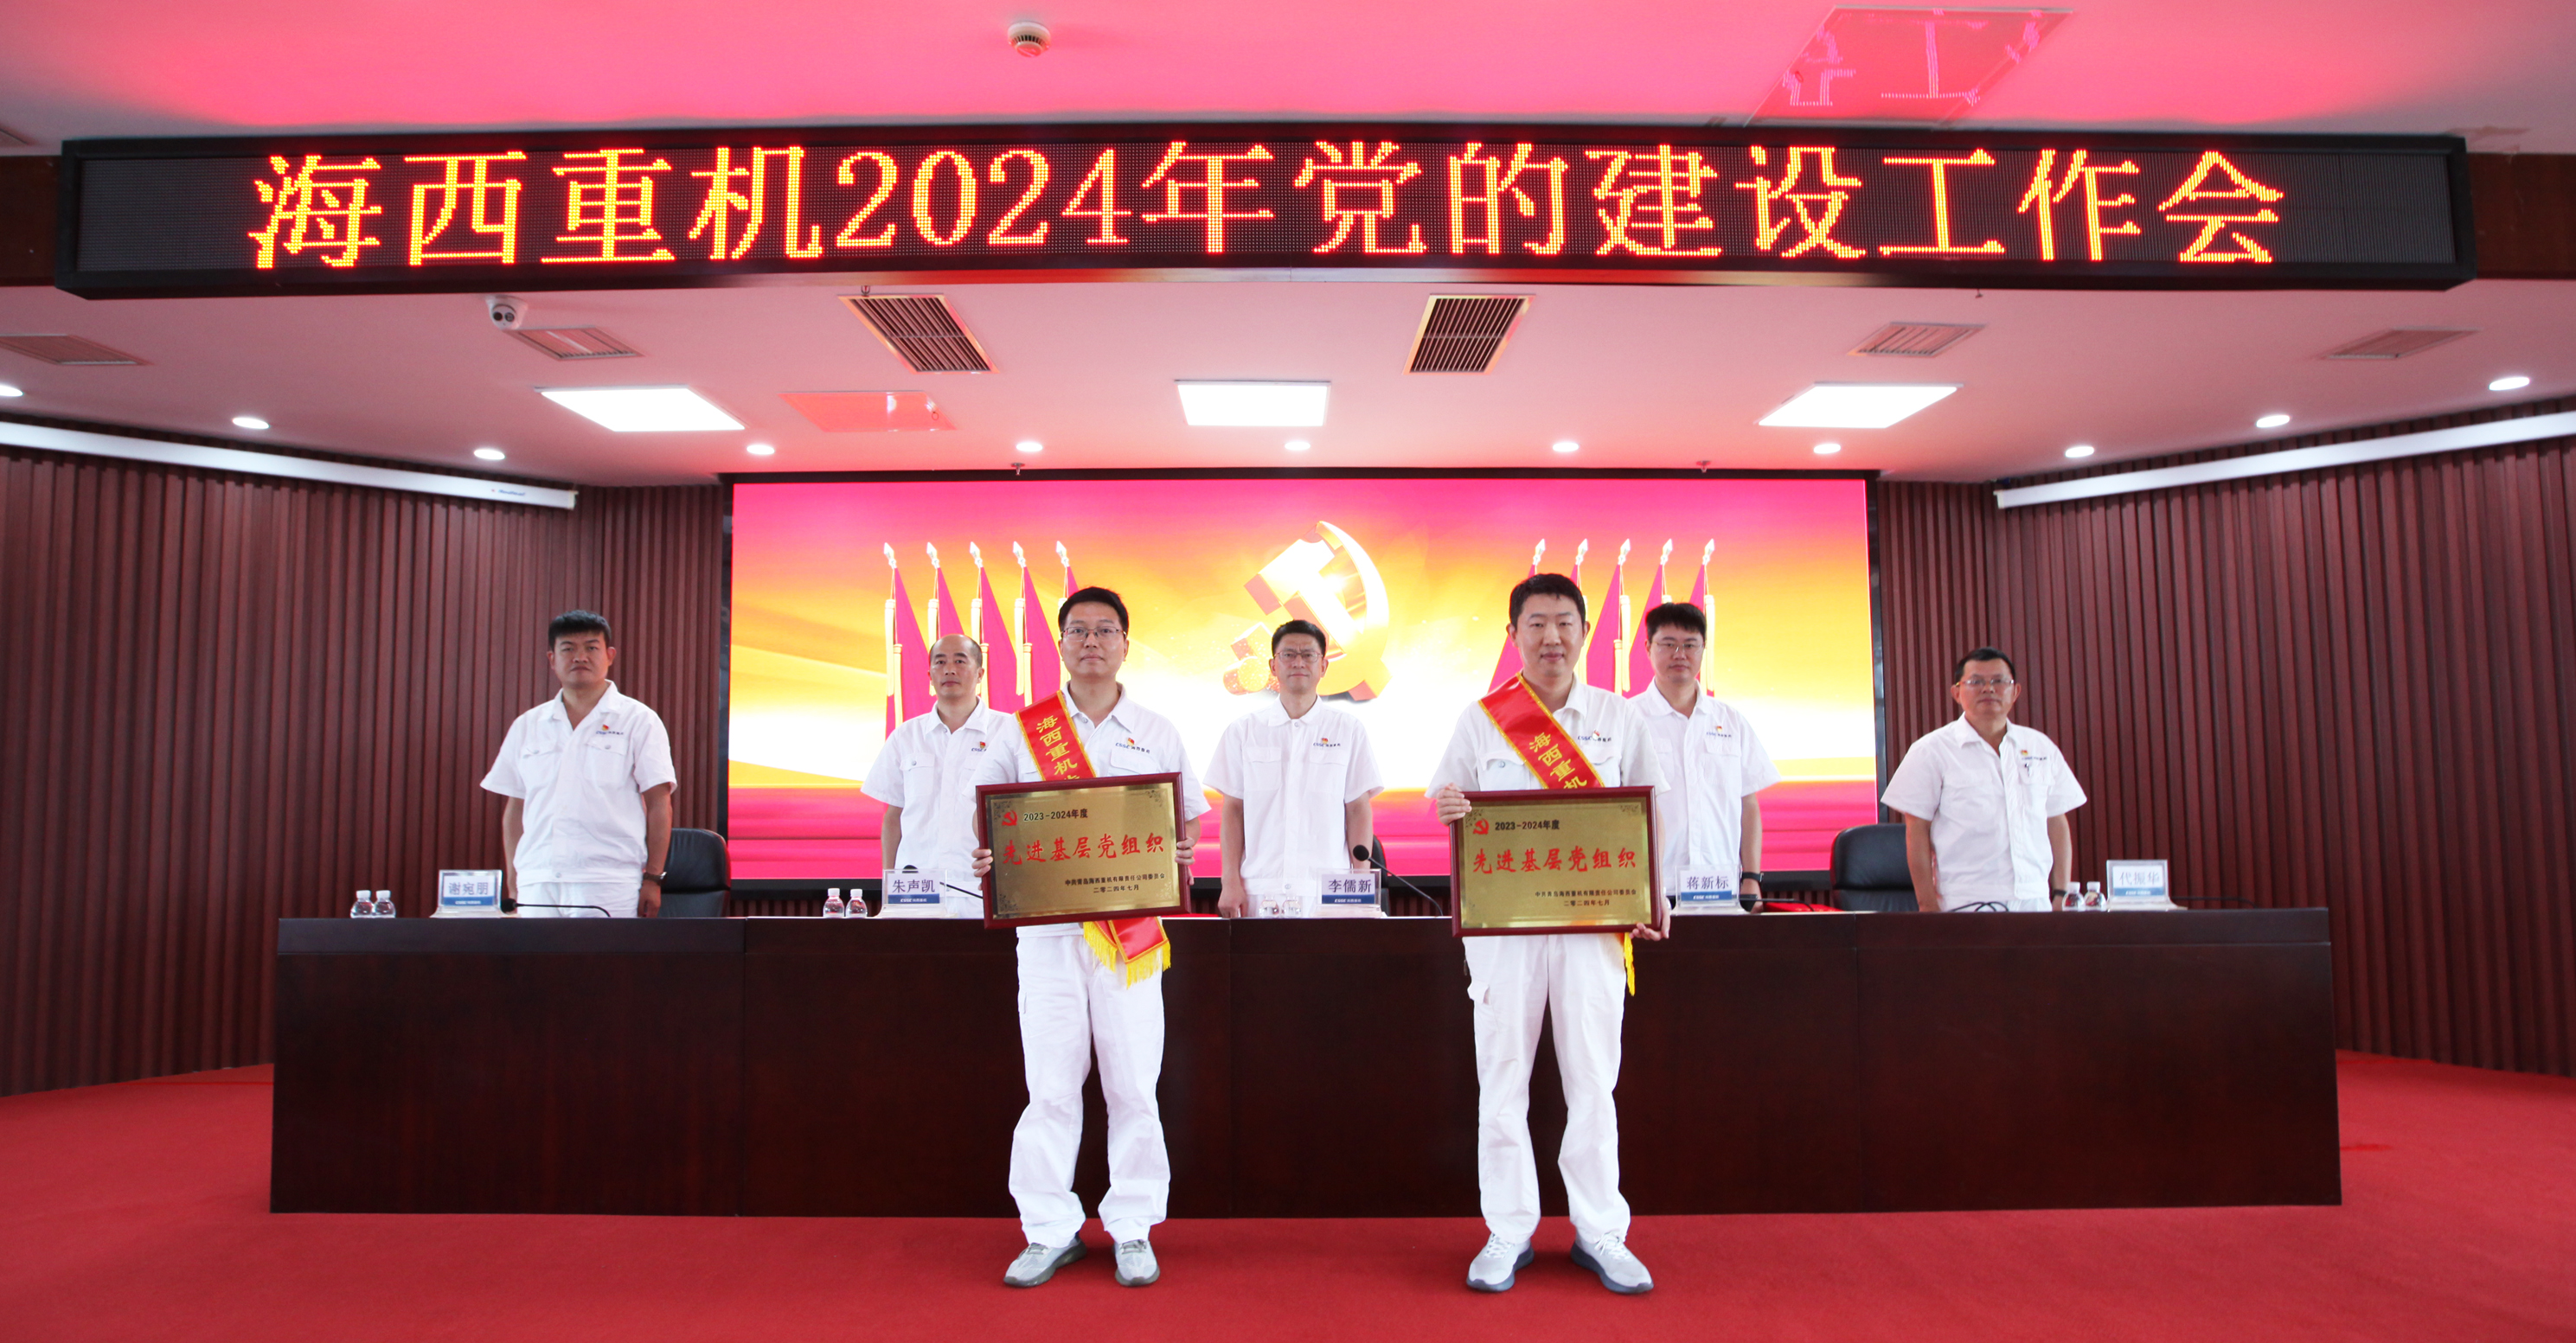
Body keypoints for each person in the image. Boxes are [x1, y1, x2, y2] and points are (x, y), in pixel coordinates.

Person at [1427, 573, 1666, 1295]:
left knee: (1593, 1078)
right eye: (1535, 623)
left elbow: (1652, 811)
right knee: (1503, 1079)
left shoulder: (1619, 717)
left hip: (1593, 925)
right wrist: (1449, 807)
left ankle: (1601, 1230)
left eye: (1565, 622)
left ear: (1585, 632)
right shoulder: (1483, 719)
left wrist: (1654, 894)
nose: (1551, 637)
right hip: (1504, 931)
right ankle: (1508, 1228)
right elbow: (1445, 800)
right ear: (1513, 634)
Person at [971, 586, 1205, 1290]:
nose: (1092, 641)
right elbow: (985, 812)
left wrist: (1181, 851)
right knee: (1050, 1086)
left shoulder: (1156, 729)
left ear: (1125, 644)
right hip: (1047, 936)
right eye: (1079, 630)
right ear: (1061, 644)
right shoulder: (1024, 730)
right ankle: (1048, 1228)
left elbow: (1187, 818)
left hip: (1131, 939)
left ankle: (1133, 1225)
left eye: (1106, 630)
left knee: (1133, 1084)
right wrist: (988, 852)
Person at [480, 610, 676, 918]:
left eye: (591, 647)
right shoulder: (528, 725)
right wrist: (516, 884)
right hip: (538, 880)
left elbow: (659, 804)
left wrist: (653, 878)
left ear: (609, 656)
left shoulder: (638, 720)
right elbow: (516, 809)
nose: (580, 657)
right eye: (568, 648)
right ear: (552, 659)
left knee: (603, 954)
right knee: (536, 954)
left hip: (607, 881)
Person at [1880, 647, 2087, 912]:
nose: (1988, 689)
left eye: (1999, 681)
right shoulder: (1931, 750)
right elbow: (1917, 830)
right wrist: (1928, 905)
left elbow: (2056, 822)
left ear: (2015, 691)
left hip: (2034, 900)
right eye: (1976, 682)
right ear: (1957, 693)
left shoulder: (2040, 746)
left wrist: (2060, 893)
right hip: (1963, 901)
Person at [1207, 619, 1386, 918]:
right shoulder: (1244, 731)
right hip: (1259, 887)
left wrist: (1360, 887)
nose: (1298, 662)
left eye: (1308, 655)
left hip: (1330, 889)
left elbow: (1358, 808)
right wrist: (1230, 881)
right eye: (1288, 655)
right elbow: (1233, 810)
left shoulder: (1348, 729)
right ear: (1273, 666)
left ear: (1323, 666)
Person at [1631, 602, 1780, 914]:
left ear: (1703, 649)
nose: (1680, 654)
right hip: (1652, 890)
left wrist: (1751, 878)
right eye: (1668, 644)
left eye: (1690, 645)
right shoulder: (1628, 719)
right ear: (1648, 648)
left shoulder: (1731, 720)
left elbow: (1748, 805)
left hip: (1721, 889)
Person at [862, 633, 1009, 913]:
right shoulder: (906, 736)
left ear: (980, 673)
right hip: (915, 887)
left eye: (960, 661)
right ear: (930, 676)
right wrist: (888, 890)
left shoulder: (1007, 732)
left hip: (981, 888)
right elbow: (894, 817)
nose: (949, 669)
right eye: (940, 662)